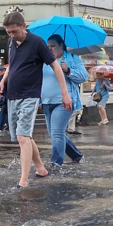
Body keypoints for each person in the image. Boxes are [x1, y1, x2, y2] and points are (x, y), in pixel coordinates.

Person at [0, 11, 72, 189]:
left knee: (22, 137)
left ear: (24, 26)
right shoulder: (11, 43)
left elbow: (55, 66)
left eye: (14, 31)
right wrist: (2, 83)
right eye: (8, 33)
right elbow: (11, 65)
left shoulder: (37, 42)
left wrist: (64, 93)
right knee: (24, 137)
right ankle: (41, 169)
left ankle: (23, 181)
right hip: (12, 95)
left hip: (30, 95)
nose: (12, 35)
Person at [41, 34, 87, 166]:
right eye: (48, 46)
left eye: (53, 46)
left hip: (64, 102)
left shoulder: (72, 59)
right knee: (55, 133)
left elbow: (84, 76)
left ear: (61, 46)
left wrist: (68, 70)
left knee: (56, 133)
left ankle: (56, 163)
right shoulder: (45, 61)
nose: (50, 49)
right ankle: (77, 156)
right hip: (46, 102)